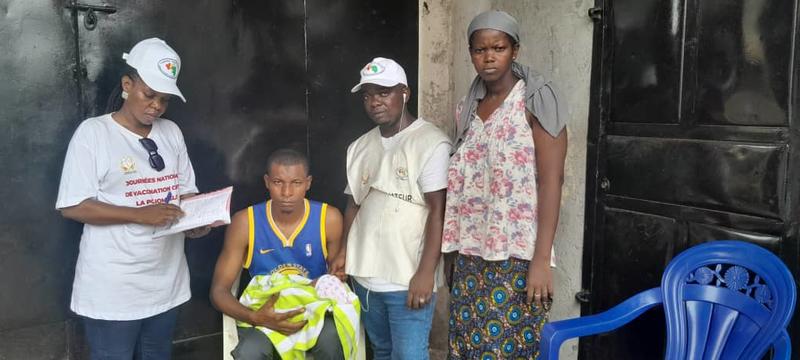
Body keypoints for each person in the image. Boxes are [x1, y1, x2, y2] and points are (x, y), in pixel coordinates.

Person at [55, 37, 210, 359]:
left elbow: (186, 191)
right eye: (149, 94)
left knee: (157, 354)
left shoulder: (171, 133)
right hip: (114, 285)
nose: (156, 105)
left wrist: (197, 220)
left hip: (166, 279)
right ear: (128, 84)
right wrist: (140, 214)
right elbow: (73, 206)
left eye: (164, 100)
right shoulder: (94, 133)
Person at [442, 10, 568, 359]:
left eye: (498, 47)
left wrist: (541, 260)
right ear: (470, 53)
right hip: (470, 255)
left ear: (515, 50)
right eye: (479, 50)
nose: (489, 57)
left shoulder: (536, 101)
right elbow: (463, 187)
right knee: (465, 346)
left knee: (505, 349)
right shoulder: (467, 108)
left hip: (517, 256)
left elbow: (552, 181)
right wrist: (451, 252)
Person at [329, 57, 452, 359]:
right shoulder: (359, 147)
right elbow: (353, 203)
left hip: (406, 277)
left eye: (383, 92)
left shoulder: (431, 143)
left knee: (409, 355)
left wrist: (426, 272)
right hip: (365, 278)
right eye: (368, 95)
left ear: (404, 93)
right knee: (382, 352)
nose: (374, 102)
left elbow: (439, 211)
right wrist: (344, 250)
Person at [210, 148, 349, 360]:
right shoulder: (245, 222)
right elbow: (219, 291)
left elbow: (336, 278)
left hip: (312, 311)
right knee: (249, 353)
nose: (286, 192)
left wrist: (337, 277)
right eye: (278, 182)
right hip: (265, 314)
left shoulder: (328, 218)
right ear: (267, 182)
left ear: (308, 183)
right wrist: (256, 317)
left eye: (296, 183)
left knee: (332, 341)